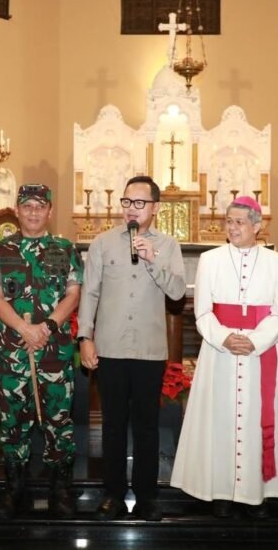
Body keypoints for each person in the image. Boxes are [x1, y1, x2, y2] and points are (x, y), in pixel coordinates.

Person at [171, 196, 278, 519]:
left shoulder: (277, 262)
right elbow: (201, 312)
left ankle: (256, 494)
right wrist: (226, 338)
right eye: (229, 221)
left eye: (240, 222)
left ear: (258, 226)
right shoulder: (210, 260)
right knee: (220, 420)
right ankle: (220, 493)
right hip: (219, 353)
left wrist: (253, 341)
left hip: (260, 354)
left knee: (257, 418)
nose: (232, 227)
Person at [78, 175, 186, 522]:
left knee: (146, 426)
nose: (131, 210)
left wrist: (153, 258)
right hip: (109, 347)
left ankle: (146, 495)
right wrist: (85, 337)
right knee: (112, 424)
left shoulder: (168, 246)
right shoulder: (102, 243)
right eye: (127, 202)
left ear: (155, 208)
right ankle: (111, 492)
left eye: (139, 203)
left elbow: (176, 294)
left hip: (148, 350)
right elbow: (89, 293)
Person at [0, 184, 83, 520]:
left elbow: (73, 294)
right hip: (12, 353)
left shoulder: (65, 249)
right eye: (27, 206)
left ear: (50, 211)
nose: (34, 212)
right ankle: (15, 489)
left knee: (58, 421)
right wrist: (25, 329)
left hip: (54, 353)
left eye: (40, 206)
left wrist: (48, 327)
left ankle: (60, 489)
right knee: (14, 424)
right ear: (18, 210)